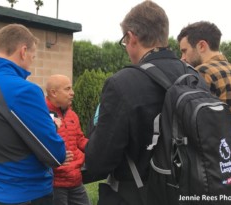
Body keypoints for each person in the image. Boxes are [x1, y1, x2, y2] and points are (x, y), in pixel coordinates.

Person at [84, 1, 208, 205]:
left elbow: (98, 162)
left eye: (125, 41)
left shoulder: (122, 83)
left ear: (132, 37)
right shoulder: (194, 77)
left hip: (137, 196)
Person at [0, 24, 66, 205]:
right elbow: (55, 155)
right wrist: (52, 126)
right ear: (23, 51)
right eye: (33, 57)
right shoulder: (23, 90)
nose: (31, 63)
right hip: (27, 195)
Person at [177, 21, 231, 205]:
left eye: (184, 51)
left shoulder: (200, 74)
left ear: (201, 45)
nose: (182, 58)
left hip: (214, 186)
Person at [45, 74, 90, 205]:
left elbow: (80, 140)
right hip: (54, 185)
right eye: (67, 89)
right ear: (53, 93)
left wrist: (97, 147)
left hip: (75, 180)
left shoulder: (72, 115)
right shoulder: (41, 115)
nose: (72, 93)